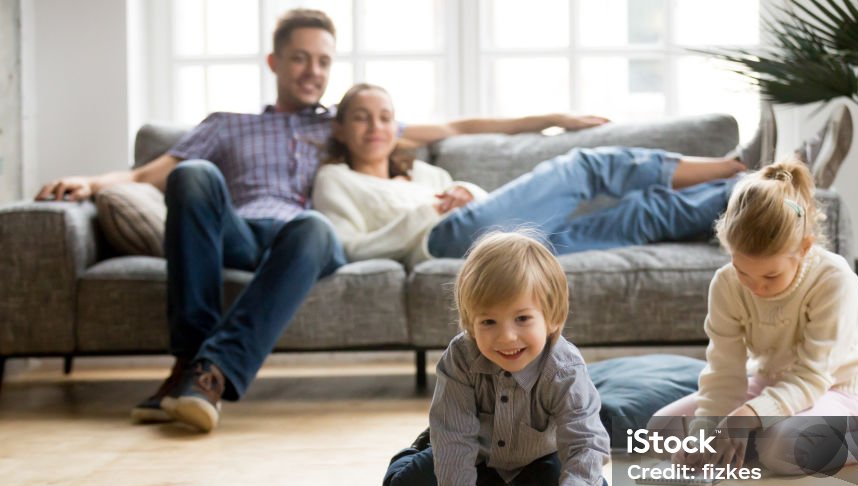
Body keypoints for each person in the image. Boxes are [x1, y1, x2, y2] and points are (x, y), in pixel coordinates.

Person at [34, 10, 607, 433]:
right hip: (239, 231)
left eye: (324, 61)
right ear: (275, 62)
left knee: (313, 227)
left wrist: (552, 118)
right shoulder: (226, 123)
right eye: (301, 58)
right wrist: (90, 183)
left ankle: (207, 374)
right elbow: (151, 171)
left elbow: (458, 127)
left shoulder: (341, 124)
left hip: (305, 240)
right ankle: (191, 363)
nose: (313, 71)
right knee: (193, 176)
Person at [313, 83, 853, 266]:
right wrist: (427, 213)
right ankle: (743, 164)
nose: (376, 127)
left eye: (385, 116)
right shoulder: (336, 181)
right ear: (340, 128)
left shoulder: (423, 171)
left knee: (645, 214)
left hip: (498, 244)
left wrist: (462, 191)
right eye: (361, 117)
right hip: (445, 242)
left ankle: (784, 192)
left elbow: (480, 201)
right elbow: (347, 249)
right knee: (585, 166)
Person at [650, 159, 858, 476]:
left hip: (837, 387)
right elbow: (724, 372)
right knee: (660, 433)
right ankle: (756, 436)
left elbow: (812, 378)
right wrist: (704, 434)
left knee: (783, 452)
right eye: (742, 271)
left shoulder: (834, 280)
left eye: (771, 276)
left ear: (804, 248)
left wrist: (744, 418)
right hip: (770, 382)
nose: (756, 287)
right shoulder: (726, 283)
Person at [382, 231, 609, 486]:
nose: (506, 337)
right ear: (469, 322)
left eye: (522, 319)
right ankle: (422, 446)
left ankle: (523, 485)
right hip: (477, 453)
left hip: (541, 454)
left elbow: (585, 439)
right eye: (488, 322)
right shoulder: (461, 357)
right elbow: (456, 438)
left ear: (552, 317)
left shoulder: (564, 366)